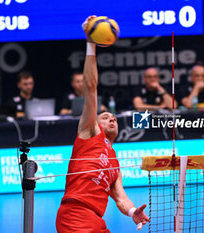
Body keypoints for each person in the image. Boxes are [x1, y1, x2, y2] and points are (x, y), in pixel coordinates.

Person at [56, 16, 149, 233]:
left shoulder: (115, 163)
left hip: (95, 219)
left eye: (113, 117)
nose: (112, 119)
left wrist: (132, 211)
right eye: (105, 116)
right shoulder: (89, 133)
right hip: (75, 214)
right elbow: (90, 86)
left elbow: (120, 197)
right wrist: (90, 43)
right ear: (95, 123)